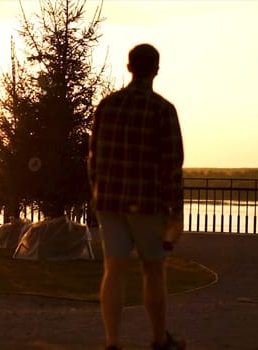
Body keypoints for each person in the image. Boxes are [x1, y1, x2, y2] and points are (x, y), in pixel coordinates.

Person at [88, 44, 185, 350]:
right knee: (153, 269)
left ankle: (112, 342)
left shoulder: (107, 106)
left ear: (129, 67)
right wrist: (175, 213)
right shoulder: (162, 110)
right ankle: (158, 339)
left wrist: (97, 192)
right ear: (156, 69)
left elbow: (94, 157)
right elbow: (172, 165)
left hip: (110, 201)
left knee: (113, 271)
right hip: (147, 203)